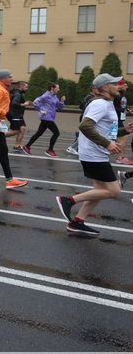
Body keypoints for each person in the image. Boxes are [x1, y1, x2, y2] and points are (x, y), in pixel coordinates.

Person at [57, 74, 130, 236]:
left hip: (96, 153)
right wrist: (107, 143)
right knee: (114, 191)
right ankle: (68, 200)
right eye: (114, 84)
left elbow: (105, 131)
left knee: (100, 190)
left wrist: (126, 130)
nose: (119, 86)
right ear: (105, 87)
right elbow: (85, 126)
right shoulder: (100, 104)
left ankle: (77, 222)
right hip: (93, 154)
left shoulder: (107, 103)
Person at [22, 83, 64, 157]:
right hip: (46, 117)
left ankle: (27, 146)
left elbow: (60, 107)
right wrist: (40, 110)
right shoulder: (46, 96)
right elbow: (35, 102)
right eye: (57, 88)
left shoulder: (54, 96)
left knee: (39, 133)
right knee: (56, 133)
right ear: (52, 88)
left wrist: (62, 101)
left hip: (49, 117)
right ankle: (50, 150)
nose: (58, 89)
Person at [7, 81, 30, 153]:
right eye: (26, 87)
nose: (27, 88)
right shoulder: (18, 94)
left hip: (18, 115)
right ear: (21, 86)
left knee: (22, 128)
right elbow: (14, 103)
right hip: (14, 115)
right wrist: (24, 104)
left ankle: (17, 146)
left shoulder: (19, 93)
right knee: (15, 131)